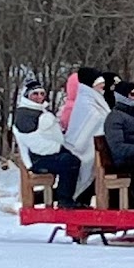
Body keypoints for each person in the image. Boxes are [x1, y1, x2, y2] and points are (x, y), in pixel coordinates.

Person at [12, 80, 83, 208]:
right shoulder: (25, 115)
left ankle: (69, 196)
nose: (39, 97)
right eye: (35, 94)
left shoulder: (39, 111)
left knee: (76, 160)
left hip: (48, 154)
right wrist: (59, 148)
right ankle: (64, 200)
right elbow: (34, 143)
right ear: (27, 96)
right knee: (70, 162)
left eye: (41, 93)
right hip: (37, 159)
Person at [63, 67, 111, 200]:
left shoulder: (94, 99)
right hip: (84, 147)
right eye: (99, 85)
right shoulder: (85, 101)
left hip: (95, 145)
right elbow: (90, 122)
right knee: (89, 165)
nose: (102, 88)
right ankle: (80, 196)